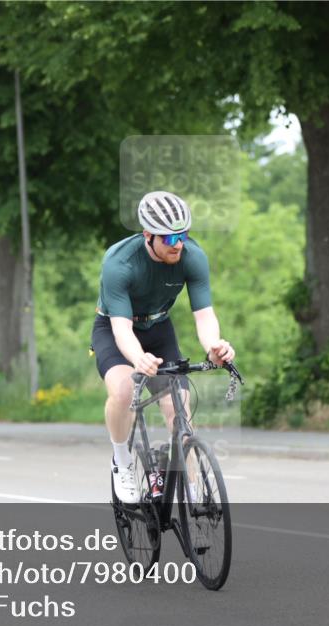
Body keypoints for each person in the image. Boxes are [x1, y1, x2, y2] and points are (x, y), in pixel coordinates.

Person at [90, 191, 235, 503]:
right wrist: (138, 359)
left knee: (178, 410)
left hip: (159, 328)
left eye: (182, 235)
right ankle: (122, 461)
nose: (178, 244)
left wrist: (214, 347)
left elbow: (205, 315)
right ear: (148, 235)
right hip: (114, 330)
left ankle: (193, 493)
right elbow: (121, 329)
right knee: (125, 391)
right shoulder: (119, 263)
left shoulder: (192, 257)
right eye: (169, 239)